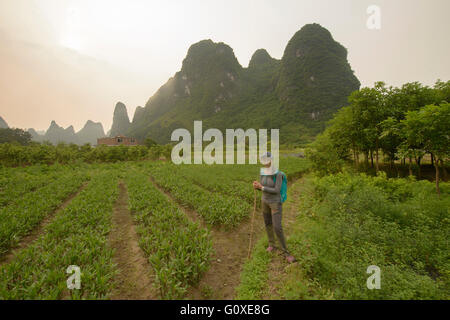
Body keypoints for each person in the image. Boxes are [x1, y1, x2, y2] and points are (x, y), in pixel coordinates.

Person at [253, 152, 295, 263]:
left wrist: (261, 187)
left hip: (275, 202)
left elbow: (276, 190)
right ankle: (272, 244)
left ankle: (286, 252)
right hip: (264, 201)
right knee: (268, 224)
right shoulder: (263, 172)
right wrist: (257, 186)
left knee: (277, 227)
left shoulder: (278, 174)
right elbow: (262, 187)